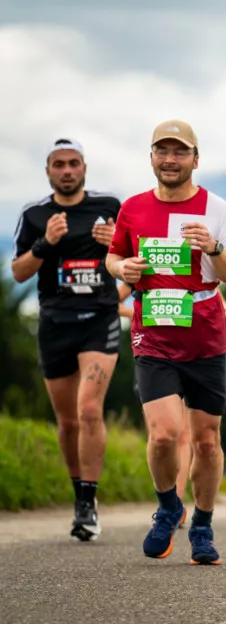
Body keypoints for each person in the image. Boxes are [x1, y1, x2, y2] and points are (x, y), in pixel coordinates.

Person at [106, 120, 226, 565]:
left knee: (206, 441)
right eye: (162, 151)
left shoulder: (214, 208)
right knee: (165, 434)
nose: (170, 160)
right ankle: (169, 507)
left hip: (205, 336)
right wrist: (121, 269)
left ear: (195, 160)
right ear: (151, 157)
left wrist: (213, 247)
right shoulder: (132, 208)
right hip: (153, 335)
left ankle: (202, 526)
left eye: (179, 152)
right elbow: (114, 256)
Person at [11, 138, 121, 542]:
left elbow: (135, 258)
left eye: (74, 163)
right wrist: (46, 243)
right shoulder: (36, 214)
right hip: (55, 324)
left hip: (99, 319)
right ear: (48, 171)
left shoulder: (110, 207)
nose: (67, 170)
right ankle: (79, 496)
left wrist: (117, 244)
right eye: (59, 164)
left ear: (85, 168)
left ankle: (89, 504)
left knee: (89, 409)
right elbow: (20, 272)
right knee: (68, 420)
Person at [119, 282, 226, 530]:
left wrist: (225, 311)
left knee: (187, 434)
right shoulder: (147, 254)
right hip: (155, 351)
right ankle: (172, 503)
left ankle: (177, 506)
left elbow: (209, 286)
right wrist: (154, 311)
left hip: (196, 350)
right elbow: (113, 300)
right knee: (163, 434)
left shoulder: (193, 257)